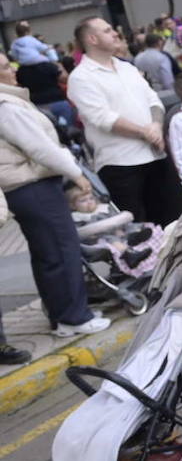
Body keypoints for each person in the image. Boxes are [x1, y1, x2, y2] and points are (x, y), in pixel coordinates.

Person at [0, 52, 112, 341]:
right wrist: (76, 174)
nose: (13, 72)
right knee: (62, 251)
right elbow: (40, 148)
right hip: (34, 186)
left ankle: (62, 316)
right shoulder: (6, 105)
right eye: (4, 68)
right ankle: (74, 317)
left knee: (48, 254)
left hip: (26, 188)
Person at [67, 17, 182, 227]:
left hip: (155, 154)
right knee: (138, 231)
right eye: (107, 30)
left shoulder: (126, 67)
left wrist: (157, 127)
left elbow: (153, 100)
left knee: (177, 220)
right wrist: (145, 132)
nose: (115, 33)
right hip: (120, 164)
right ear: (92, 39)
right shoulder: (81, 77)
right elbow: (103, 118)